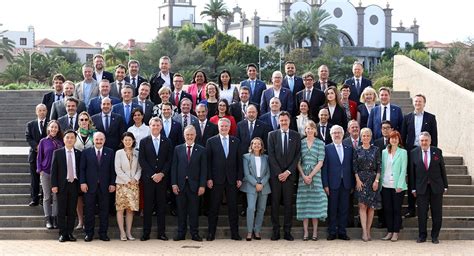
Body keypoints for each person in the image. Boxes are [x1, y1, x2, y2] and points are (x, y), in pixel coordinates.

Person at [401, 93, 438, 218]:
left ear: (424, 103)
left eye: (420, 101)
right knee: (412, 179)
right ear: (413, 103)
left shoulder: (431, 118)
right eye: (416, 101)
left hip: (426, 151)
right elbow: (403, 135)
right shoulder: (407, 118)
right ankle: (411, 209)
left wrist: (433, 153)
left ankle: (424, 210)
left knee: (425, 179)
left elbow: (434, 137)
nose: (417, 103)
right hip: (412, 151)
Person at [206, 118, 243, 241]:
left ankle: (235, 233)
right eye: (221, 126)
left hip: (232, 179)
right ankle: (211, 233)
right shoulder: (211, 141)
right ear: (218, 127)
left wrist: (239, 178)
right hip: (216, 179)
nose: (224, 128)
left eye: (226, 126)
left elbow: (239, 162)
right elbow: (208, 162)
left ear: (229, 127)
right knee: (213, 207)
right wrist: (209, 178)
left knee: (233, 207)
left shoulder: (236, 141)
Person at [267, 111, 301, 241]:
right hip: (276, 176)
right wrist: (279, 173)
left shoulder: (296, 135)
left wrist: (287, 172)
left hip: (289, 176)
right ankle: (275, 231)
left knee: (288, 204)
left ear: (289, 121)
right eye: (281, 120)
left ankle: (287, 231)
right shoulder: (272, 135)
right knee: (275, 204)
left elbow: (297, 155)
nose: (283, 122)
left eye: (285, 120)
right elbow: (271, 155)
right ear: (278, 121)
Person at [138, 117, 173, 241]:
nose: (156, 127)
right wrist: (153, 174)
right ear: (150, 126)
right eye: (153, 125)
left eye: (158, 125)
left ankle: (161, 233)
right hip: (149, 179)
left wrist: (162, 174)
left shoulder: (167, 141)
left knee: (161, 207)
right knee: (147, 207)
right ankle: (146, 233)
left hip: (162, 180)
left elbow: (169, 160)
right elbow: (142, 159)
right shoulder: (143, 142)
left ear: (161, 127)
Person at [410, 132, 448, 244]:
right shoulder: (414, 153)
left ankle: (435, 236)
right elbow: (412, 172)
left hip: (436, 187)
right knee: (422, 213)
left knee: (437, 213)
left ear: (430, 141)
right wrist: (413, 188)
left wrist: (445, 185)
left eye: (426, 140)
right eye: (422, 140)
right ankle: (422, 236)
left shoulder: (437, 151)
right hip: (421, 188)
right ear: (419, 141)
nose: (424, 142)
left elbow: (442, 169)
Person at [171, 125, 207, 242]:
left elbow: (203, 169)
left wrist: (202, 185)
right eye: (187, 135)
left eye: (191, 134)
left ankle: (194, 233)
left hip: (195, 186)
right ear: (184, 136)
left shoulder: (201, 150)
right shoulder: (178, 149)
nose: (189, 137)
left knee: (194, 211)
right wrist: (174, 184)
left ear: (195, 135)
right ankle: (181, 233)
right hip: (180, 185)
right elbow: (174, 167)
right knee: (181, 211)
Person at [80, 132, 116, 242]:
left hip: (105, 187)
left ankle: (103, 233)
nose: (99, 141)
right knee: (89, 211)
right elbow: (82, 169)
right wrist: (83, 182)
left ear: (104, 140)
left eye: (101, 139)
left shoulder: (110, 152)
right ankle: (89, 233)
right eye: (97, 139)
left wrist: (112, 183)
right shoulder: (86, 152)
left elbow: (112, 170)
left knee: (104, 211)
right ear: (93, 140)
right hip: (89, 187)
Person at [322, 125, 353, 241]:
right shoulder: (326, 148)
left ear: (343, 134)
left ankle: (342, 232)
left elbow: (351, 167)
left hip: (346, 183)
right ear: (331, 135)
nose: (337, 135)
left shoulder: (349, 148)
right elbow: (324, 168)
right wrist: (325, 184)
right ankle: (332, 231)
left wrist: (352, 184)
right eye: (334, 133)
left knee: (344, 209)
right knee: (332, 209)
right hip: (332, 184)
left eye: (339, 132)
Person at [296, 121, 327, 241]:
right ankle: (305, 233)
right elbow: (298, 161)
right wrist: (304, 175)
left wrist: (311, 175)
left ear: (315, 130)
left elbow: (321, 162)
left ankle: (314, 233)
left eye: (311, 128)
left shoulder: (320, 143)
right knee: (305, 205)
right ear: (305, 130)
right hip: (302, 177)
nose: (309, 130)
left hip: (316, 176)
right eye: (307, 128)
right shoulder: (301, 143)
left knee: (316, 204)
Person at [51, 130, 81, 242]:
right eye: (67, 137)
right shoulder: (57, 153)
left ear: (75, 140)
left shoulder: (78, 153)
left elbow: (80, 170)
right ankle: (62, 233)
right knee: (61, 210)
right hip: (61, 185)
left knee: (72, 210)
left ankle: (70, 233)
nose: (69, 139)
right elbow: (53, 170)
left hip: (74, 185)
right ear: (64, 139)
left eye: (72, 138)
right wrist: (54, 185)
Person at [353, 128, 381, 242]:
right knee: (362, 206)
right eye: (363, 135)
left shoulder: (376, 149)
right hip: (360, 180)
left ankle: (369, 230)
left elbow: (379, 167)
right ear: (361, 136)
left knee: (371, 207)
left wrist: (376, 181)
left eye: (368, 135)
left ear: (371, 137)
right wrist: (357, 180)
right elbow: (354, 167)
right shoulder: (357, 150)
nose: (365, 137)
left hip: (372, 180)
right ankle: (364, 232)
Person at [240, 137, 271, 241]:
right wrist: (255, 183)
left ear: (262, 146)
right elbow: (246, 173)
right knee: (251, 208)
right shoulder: (246, 157)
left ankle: (257, 230)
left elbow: (268, 173)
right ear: (251, 146)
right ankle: (249, 231)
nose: (257, 145)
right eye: (255, 144)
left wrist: (262, 183)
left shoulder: (266, 157)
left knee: (261, 209)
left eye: (259, 144)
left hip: (264, 185)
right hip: (251, 185)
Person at [380, 131, 407, 242]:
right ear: (389, 140)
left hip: (397, 186)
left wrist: (400, 185)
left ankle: (396, 232)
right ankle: (390, 231)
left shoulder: (403, 152)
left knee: (396, 210)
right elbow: (381, 168)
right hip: (385, 185)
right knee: (388, 209)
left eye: (396, 138)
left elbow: (403, 169)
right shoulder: (384, 152)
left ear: (398, 139)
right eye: (392, 138)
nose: (394, 140)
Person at [37, 120, 64, 229]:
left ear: (58, 129)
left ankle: (55, 218)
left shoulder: (61, 142)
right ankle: (48, 218)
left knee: (56, 197)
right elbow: (39, 157)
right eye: (52, 127)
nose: (53, 129)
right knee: (47, 197)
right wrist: (40, 170)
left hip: (57, 173)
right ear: (48, 128)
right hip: (46, 172)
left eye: (55, 127)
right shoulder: (43, 141)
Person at [115, 132, 141, 241]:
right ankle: (122, 233)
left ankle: (129, 232)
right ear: (122, 141)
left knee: (130, 210)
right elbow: (117, 169)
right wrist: (127, 180)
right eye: (125, 140)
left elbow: (140, 168)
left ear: (133, 141)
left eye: (129, 140)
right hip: (122, 184)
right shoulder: (118, 153)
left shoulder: (137, 153)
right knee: (120, 209)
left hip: (134, 185)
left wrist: (135, 178)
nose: (127, 142)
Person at [73, 111, 96, 231]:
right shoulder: (74, 135)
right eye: (81, 120)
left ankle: (89, 221)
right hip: (78, 168)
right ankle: (81, 221)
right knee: (79, 197)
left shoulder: (94, 134)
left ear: (89, 121)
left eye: (86, 119)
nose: (84, 122)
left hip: (91, 169)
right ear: (78, 122)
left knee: (89, 197)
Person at [25, 104, 48, 207]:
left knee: (46, 177)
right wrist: (37, 147)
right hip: (34, 154)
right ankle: (34, 198)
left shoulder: (50, 123)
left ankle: (44, 198)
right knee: (35, 178)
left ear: (46, 111)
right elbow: (28, 137)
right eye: (40, 110)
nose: (42, 112)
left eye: (44, 110)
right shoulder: (31, 124)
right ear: (36, 112)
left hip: (47, 155)